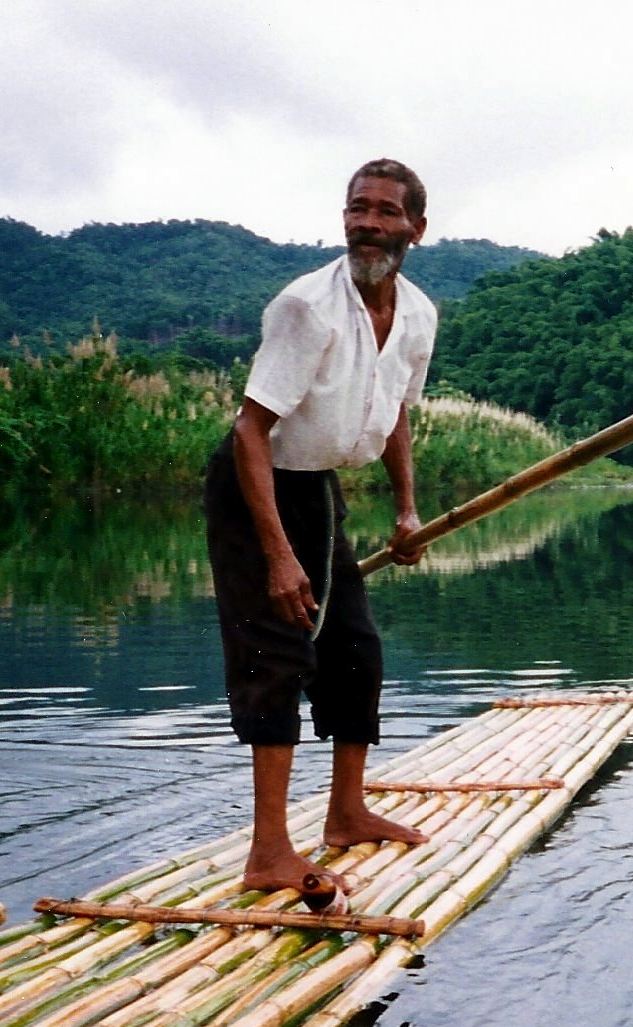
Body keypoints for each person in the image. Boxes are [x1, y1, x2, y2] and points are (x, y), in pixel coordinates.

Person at [204, 158, 436, 893]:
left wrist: (405, 511)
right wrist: (277, 555)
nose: (367, 223)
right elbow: (250, 430)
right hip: (256, 490)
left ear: (416, 230)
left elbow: (396, 413)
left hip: (315, 489)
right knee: (276, 653)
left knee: (355, 650)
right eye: (356, 208)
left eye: (385, 212)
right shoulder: (308, 307)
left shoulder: (419, 314)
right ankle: (268, 853)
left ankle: (345, 814)